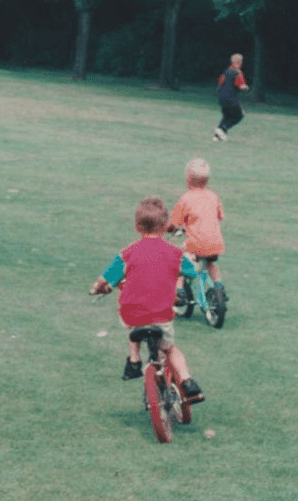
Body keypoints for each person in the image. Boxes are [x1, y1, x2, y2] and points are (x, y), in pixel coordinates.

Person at [89, 196, 205, 403]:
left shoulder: (127, 253)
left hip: (132, 313)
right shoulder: (175, 253)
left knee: (133, 328)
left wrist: (97, 288)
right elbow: (192, 273)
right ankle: (188, 382)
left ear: (137, 226)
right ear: (165, 225)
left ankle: (134, 361)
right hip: (161, 314)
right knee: (169, 348)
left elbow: (104, 278)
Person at [170, 159, 228, 305]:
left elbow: (174, 222)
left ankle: (180, 292)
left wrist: (172, 229)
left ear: (188, 180)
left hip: (196, 244)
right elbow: (220, 216)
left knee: (182, 263)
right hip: (216, 244)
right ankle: (220, 288)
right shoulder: (213, 196)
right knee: (211, 264)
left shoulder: (186, 199)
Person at [214, 53, 250, 141]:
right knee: (239, 115)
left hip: (221, 97)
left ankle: (217, 136)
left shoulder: (226, 71)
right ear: (240, 62)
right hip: (230, 98)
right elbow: (240, 85)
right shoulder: (237, 72)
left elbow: (220, 83)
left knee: (227, 115)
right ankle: (222, 129)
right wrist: (246, 87)